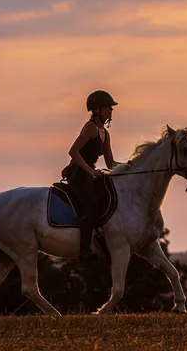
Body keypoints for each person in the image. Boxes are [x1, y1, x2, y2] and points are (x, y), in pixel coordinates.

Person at [64, 90, 122, 262]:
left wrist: (128, 165)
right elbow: (73, 152)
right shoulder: (90, 128)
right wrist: (90, 171)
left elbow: (111, 163)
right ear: (97, 110)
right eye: (108, 108)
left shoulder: (105, 133)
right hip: (78, 174)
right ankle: (84, 249)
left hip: (89, 173)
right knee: (91, 205)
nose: (111, 111)